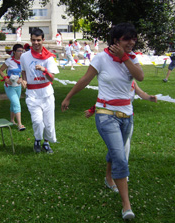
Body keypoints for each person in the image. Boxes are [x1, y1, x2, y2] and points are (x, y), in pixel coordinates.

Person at [61, 23, 144, 220]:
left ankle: (109, 178)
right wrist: (68, 96)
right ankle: (126, 206)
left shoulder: (131, 59)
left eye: (133, 38)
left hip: (127, 115)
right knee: (120, 156)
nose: (132, 42)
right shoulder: (101, 58)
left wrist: (124, 58)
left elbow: (140, 76)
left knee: (115, 150)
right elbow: (85, 79)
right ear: (116, 40)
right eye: (127, 39)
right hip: (106, 114)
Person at [84, 80, 157, 171]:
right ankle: (119, 168)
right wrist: (92, 110)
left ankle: (121, 165)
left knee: (125, 143)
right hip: (112, 118)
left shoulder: (132, 82)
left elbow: (141, 93)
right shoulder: (115, 82)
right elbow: (105, 100)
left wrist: (150, 98)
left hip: (127, 118)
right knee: (118, 144)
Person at [20, 28, 59, 154]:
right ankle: (37, 139)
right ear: (30, 40)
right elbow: (24, 71)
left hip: (47, 93)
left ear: (43, 40)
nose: (36, 43)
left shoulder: (49, 58)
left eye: (38, 40)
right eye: (33, 40)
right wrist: (24, 80)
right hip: (32, 94)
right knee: (37, 121)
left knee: (48, 123)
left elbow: (52, 77)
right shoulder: (24, 56)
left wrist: (44, 70)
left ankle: (46, 143)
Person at [0, 44, 26, 131]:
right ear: (14, 52)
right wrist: (5, 79)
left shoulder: (23, 61)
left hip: (18, 86)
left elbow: (24, 73)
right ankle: (20, 124)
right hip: (9, 86)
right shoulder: (9, 61)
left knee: (14, 103)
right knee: (17, 103)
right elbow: (0, 70)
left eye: (22, 51)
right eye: (19, 51)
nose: (21, 53)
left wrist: (21, 79)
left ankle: (12, 120)